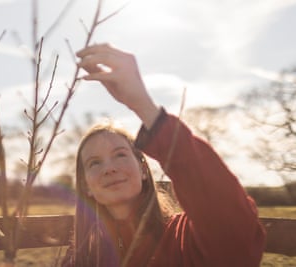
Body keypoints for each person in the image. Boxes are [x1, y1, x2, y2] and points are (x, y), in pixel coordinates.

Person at [61, 44, 266, 267]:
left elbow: (234, 231)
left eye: (120, 155)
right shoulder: (83, 255)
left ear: (143, 169)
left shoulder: (183, 238)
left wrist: (144, 106)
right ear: (86, 185)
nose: (109, 168)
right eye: (94, 163)